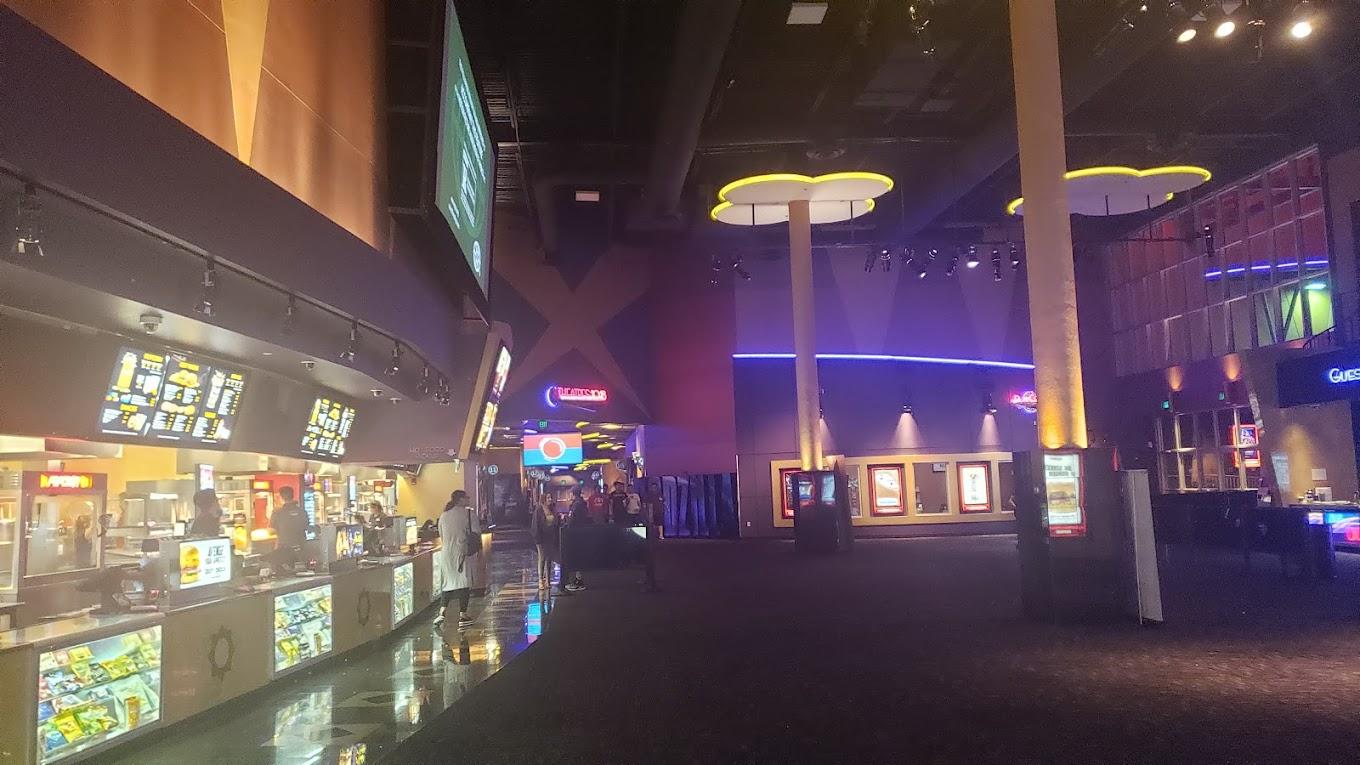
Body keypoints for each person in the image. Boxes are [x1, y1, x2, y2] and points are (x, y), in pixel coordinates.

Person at [435, 490, 481, 629]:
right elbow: (476, 532)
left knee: (448, 582)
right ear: (460, 499)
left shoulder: (444, 515)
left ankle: (442, 612)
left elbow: (441, 535)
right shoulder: (469, 514)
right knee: (463, 582)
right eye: (466, 497)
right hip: (462, 552)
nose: (468, 499)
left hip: (446, 553)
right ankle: (463, 614)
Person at [559, 489, 589, 593]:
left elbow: (571, 519)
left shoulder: (576, 505)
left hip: (574, 534)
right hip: (581, 532)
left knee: (574, 557)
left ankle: (578, 581)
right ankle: (578, 579)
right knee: (579, 557)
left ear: (573, 494)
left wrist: (565, 518)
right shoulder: (583, 503)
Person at [271, 486, 309, 570]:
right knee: (301, 569)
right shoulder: (302, 512)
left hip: (284, 548)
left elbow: (272, 530)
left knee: (283, 571)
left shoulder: (277, 513)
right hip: (301, 547)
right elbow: (306, 527)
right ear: (292, 495)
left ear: (281, 497)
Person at [530, 494, 558, 589]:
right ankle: (540, 580)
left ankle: (548, 580)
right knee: (542, 558)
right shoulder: (539, 510)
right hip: (541, 538)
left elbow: (555, 522)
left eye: (551, 497)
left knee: (549, 558)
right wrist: (537, 538)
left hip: (550, 537)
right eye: (548, 498)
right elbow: (535, 525)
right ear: (544, 499)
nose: (550, 499)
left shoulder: (552, 509)